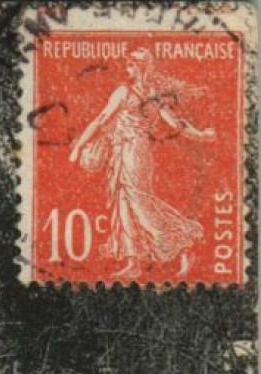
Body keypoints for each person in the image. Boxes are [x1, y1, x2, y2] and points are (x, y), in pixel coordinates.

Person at [67, 47, 215, 280]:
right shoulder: (152, 94)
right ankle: (132, 261)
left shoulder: (125, 92)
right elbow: (176, 123)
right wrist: (201, 135)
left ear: (141, 67)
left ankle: (183, 242)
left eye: (131, 65)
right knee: (124, 202)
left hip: (132, 151)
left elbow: (102, 119)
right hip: (125, 151)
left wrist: (79, 146)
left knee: (139, 202)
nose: (127, 69)